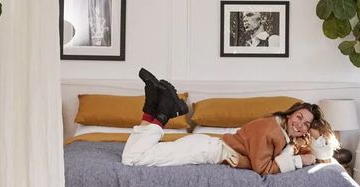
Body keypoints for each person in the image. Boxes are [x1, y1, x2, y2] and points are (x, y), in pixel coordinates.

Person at [122, 68, 339, 175]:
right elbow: (262, 167)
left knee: (136, 155)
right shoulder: (271, 130)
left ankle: (151, 108)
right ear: (290, 114)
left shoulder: (280, 132)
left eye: (306, 125)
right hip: (206, 152)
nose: (300, 125)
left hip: (206, 146)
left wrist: (307, 152)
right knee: (132, 160)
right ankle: (162, 113)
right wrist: (300, 162)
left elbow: (285, 154)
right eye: (299, 117)